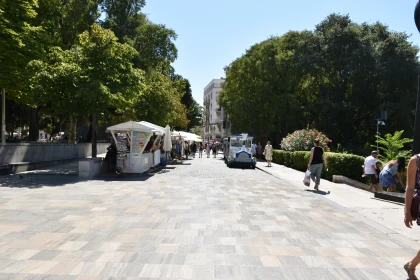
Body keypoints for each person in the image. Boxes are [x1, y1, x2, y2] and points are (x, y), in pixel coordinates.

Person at [403, 155, 420, 280]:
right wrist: (407, 212)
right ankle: (412, 265)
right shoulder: (416, 161)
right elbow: (409, 188)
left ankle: (411, 265)